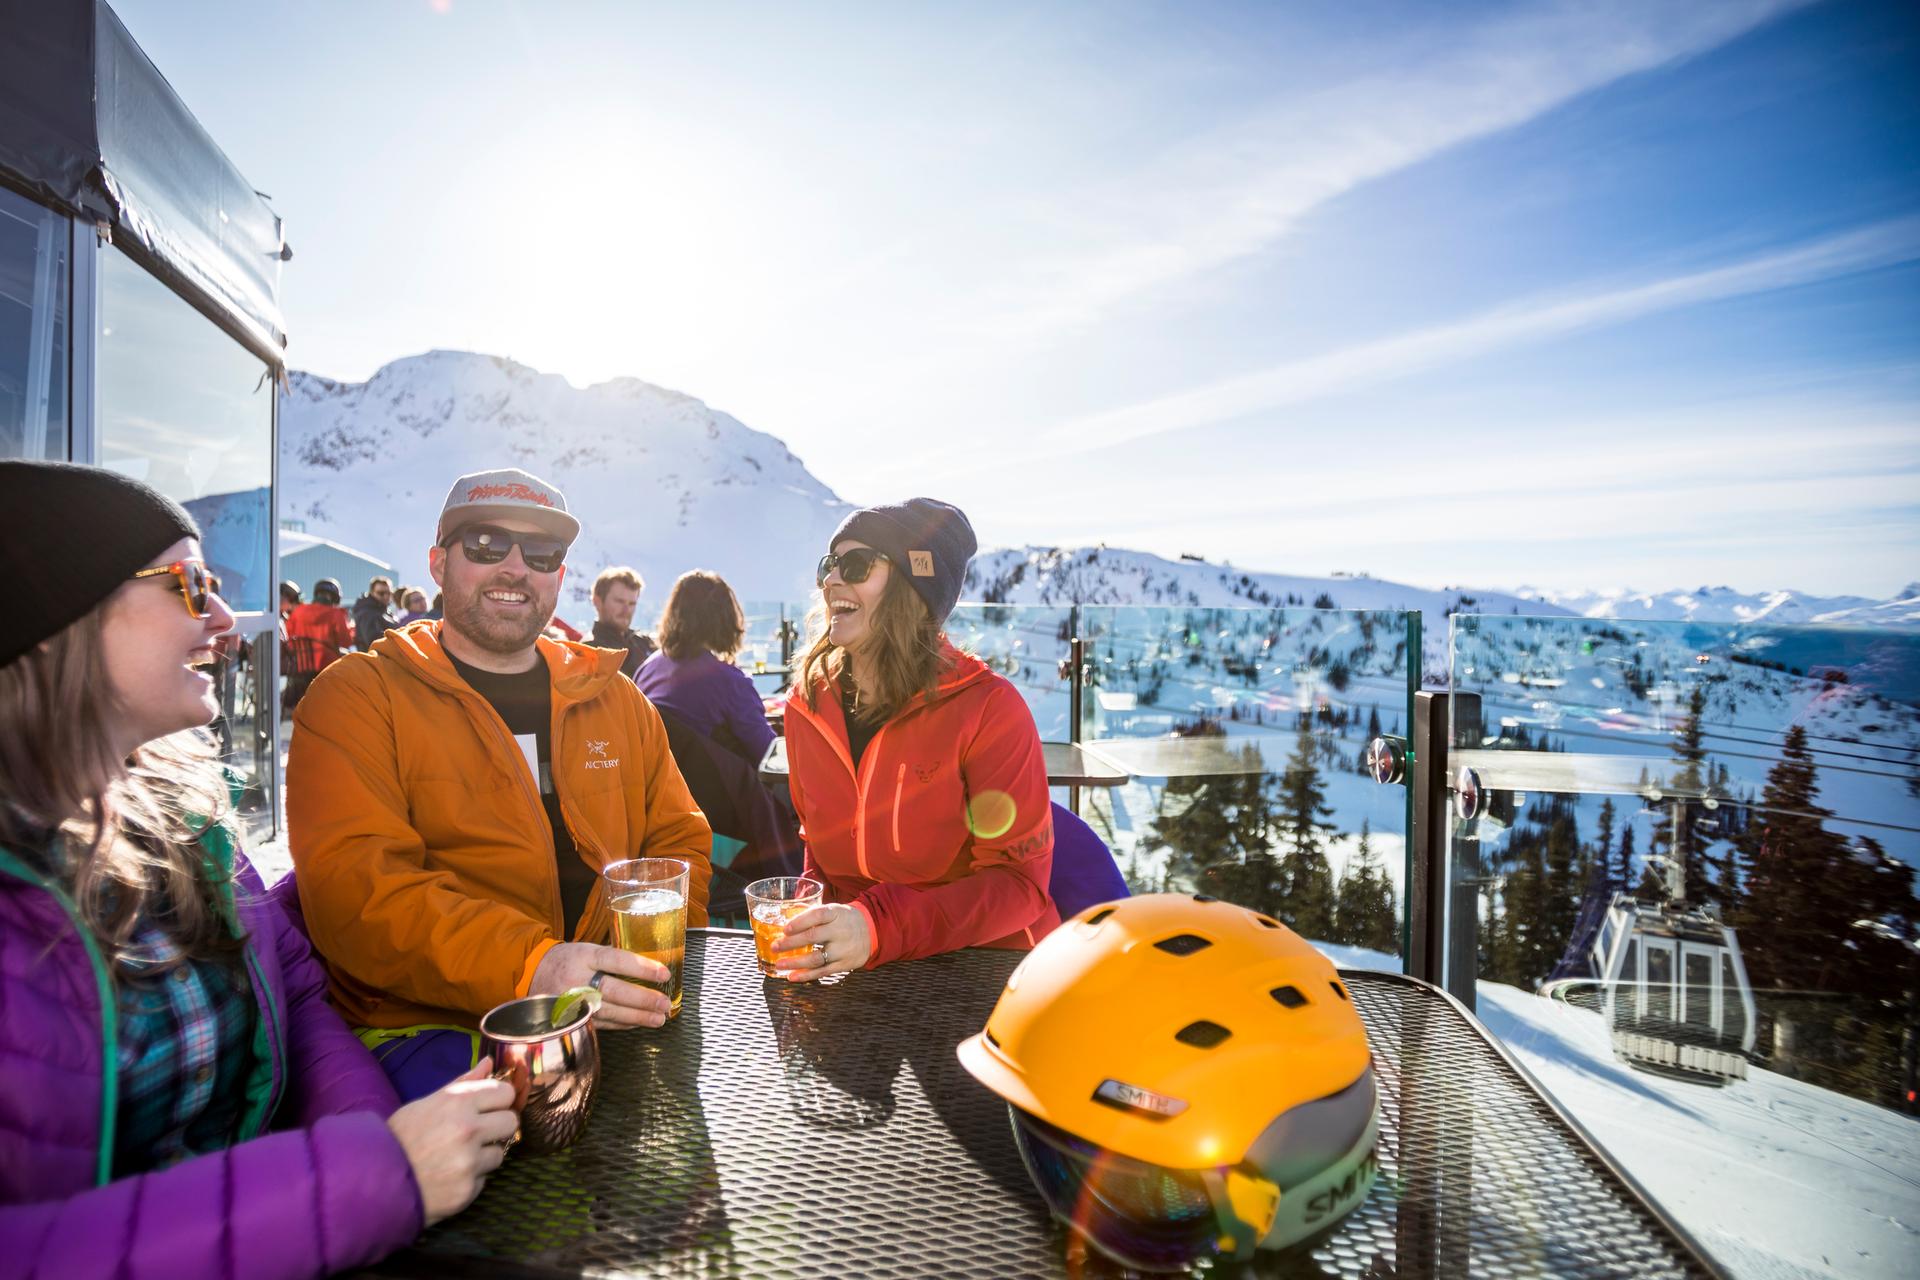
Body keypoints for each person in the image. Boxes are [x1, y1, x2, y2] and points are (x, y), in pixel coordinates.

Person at [0, 461, 518, 1277]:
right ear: (56, 615)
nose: (225, 619)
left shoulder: (181, 814)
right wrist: (373, 1180)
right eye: (186, 583)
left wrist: (377, 1140)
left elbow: (297, 994)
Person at [288, 467, 714, 1100]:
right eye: (485, 545)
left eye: (541, 554)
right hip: (432, 1028)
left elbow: (679, 839)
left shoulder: (616, 699)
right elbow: (360, 894)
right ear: (438, 564)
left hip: (611, 1008)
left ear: (560, 578)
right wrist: (535, 967)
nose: (515, 568)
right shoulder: (357, 699)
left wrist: (653, 967)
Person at [774, 498, 1058, 981]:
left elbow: (1018, 887)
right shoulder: (807, 706)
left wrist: (878, 927)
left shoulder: (988, 710)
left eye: (856, 564)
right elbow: (818, 849)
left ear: (912, 589)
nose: (830, 580)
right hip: (863, 968)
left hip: (983, 969)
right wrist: (812, 912)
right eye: (830, 564)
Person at [636, 570, 776, 765]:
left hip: (659, 787)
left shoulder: (648, 669)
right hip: (718, 792)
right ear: (725, 618)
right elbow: (768, 753)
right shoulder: (730, 682)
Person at [283, 576, 354, 712]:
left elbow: (288, 637)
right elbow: (346, 641)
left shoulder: (298, 611)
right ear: (336, 597)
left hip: (299, 669)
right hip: (328, 668)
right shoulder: (336, 614)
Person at [590, 565, 656, 678]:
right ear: (597, 601)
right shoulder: (591, 650)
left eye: (632, 604)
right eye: (619, 601)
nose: (626, 610)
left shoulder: (642, 642)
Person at [352, 575, 400, 651]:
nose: (386, 596)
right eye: (381, 593)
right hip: (375, 659)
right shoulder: (366, 613)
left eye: (389, 593)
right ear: (372, 593)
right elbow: (374, 642)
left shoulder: (386, 612)